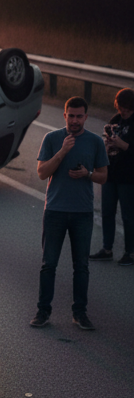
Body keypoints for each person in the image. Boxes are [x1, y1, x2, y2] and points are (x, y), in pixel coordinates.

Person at [30, 96, 108, 330]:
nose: (74, 120)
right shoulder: (52, 139)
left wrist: (87, 174)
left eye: (79, 116)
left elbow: (103, 176)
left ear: (86, 116)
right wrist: (62, 152)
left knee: (81, 266)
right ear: (64, 115)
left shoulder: (95, 142)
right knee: (48, 264)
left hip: (82, 213)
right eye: (70, 116)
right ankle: (43, 312)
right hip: (55, 210)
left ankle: (79, 313)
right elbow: (42, 172)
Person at [89, 87, 134, 266]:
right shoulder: (115, 120)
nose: (124, 111)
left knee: (128, 216)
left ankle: (130, 252)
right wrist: (107, 146)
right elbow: (107, 145)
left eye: (128, 108)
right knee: (107, 212)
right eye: (121, 107)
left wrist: (123, 145)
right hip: (110, 172)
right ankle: (107, 249)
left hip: (129, 177)